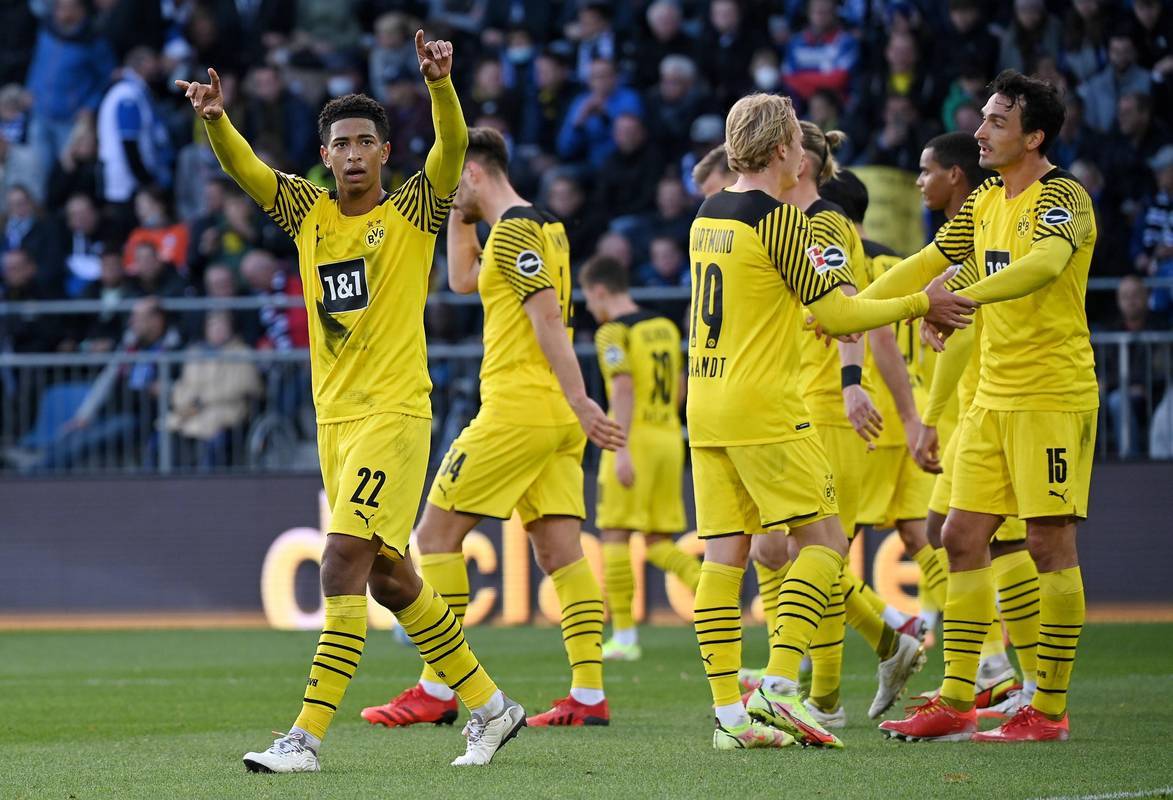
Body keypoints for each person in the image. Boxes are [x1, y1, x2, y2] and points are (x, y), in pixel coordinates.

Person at [177, 30, 525, 772]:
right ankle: (493, 708)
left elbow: (452, 147)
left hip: (393, 416)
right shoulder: (307, 212)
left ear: (386, 152)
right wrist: (216, 120)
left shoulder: (413, 213)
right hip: (336, 423)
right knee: (393, 580)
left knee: (340, 564)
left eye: (368, 141)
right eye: (343, 144)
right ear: (326, 156)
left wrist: (440, 85)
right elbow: (247, 171)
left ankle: (303, 738)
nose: (356, 153)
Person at [686, 91, 972, 751]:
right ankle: (779, 686)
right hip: (764, 406)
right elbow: (839, 315)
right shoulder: (781, 221)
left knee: (723, 556)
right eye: (796, 142)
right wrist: (920, 302)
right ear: (781, 148)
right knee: (823, 543)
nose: (804, 155)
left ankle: (731, 716)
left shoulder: (708, 213)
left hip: (706, 402)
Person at [361, 126, 623, 731]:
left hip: (517, 410)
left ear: (474, 172)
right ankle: (588, 695)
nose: (448, 196)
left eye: (455, 184)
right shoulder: (546, 227)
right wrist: (461, 215)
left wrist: (584, 399)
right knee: (560, 551)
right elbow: (461, 280)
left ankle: (437, 688)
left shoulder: (512, 234)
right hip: (551, 418)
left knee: (434, 537)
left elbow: (548, 318)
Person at [867, 70, 1098, 743]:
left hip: (1050, 395)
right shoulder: (986, 200)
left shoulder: (1063, 196)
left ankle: (1046, 711)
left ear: (1034, 136)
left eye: (997, 121)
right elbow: (924, 263)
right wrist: (849, 310)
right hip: (992, 396)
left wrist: (962, 298)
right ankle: (958, 700)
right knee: (959, 537)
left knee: (1047, 543)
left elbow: (1043, 266)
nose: (980, 131)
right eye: (983, 118)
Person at [742, 124, 926, 730]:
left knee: (812, 552)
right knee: (782, 550)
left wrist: (852, 384)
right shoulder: (783, 225)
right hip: (787, 404)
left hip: (825, 409)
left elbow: (851, 313)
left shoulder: (826, 225)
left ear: (801, 163)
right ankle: (883, 644)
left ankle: (823, 696)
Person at [904, 132, 1040, 717]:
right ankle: (991, 667)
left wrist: (930, 419)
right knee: (949, 533)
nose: (919, 181)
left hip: (990, 405)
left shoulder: (985, 232)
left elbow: (958, 338)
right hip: (974, 407)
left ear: (954, 175)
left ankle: (1026, 680)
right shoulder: (966, 232)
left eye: (926, 170)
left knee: (1000, 539)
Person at [578, 254, 699, 661]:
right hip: (668, 437)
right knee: (658, 542)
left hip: (632, 437)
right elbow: (680, 386)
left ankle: (625, 637)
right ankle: (710, 590)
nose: (588, 307)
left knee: (614, 533)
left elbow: (623, 388)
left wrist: (622, 447)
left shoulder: (612, 333)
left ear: (600, 291)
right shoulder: (663, 326)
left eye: (588, 297)